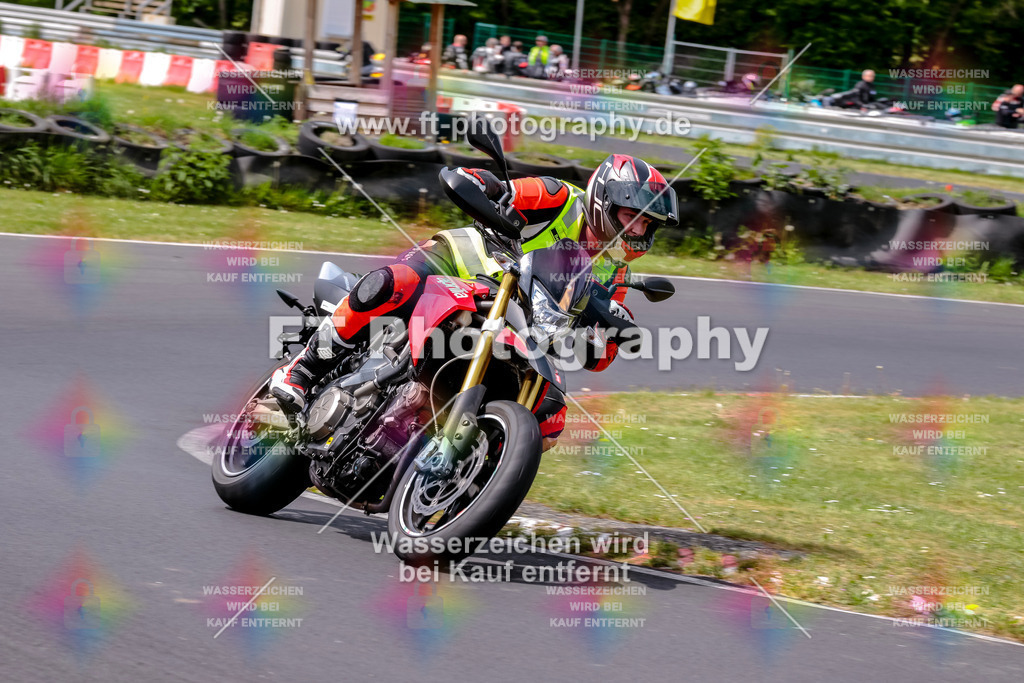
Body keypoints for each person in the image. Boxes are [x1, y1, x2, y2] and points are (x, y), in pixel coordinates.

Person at [270, 155, 679, 450]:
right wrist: (485, 186)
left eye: (648, 223)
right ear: (604, 199)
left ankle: (465, 469)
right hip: (466, 264)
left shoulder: (616, 273)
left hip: (520, 319)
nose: (640, 228)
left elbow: (600, 353)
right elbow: (503, 191)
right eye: (634, 215)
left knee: (550, 421)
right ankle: (301, 371)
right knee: (393, 283)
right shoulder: (560, 197)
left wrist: (612, 329)